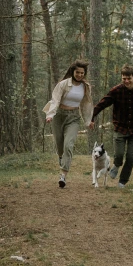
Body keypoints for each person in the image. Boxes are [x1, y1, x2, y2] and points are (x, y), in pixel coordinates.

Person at [89, 64, 133, 188]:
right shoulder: (116, 91)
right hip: (120, 128)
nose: (126, 81)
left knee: (130, 157)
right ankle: (116, 165)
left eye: (129, 78)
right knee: (118, 154)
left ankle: (122, 181)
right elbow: (102, 104)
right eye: (124, 78)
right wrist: (92, 118)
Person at [43, 60, 93, 188]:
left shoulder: (85, 86)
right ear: (73, 72)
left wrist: (88, 121)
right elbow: (55, 100)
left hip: (74, 118)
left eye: (82, 73)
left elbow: (86, 104)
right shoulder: (63, 84)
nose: (80, 75)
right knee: (60, 145)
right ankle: (61, 157)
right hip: (59, 116)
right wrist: (50, 115)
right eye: (77, 72)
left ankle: (63, 175)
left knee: (68, 145)